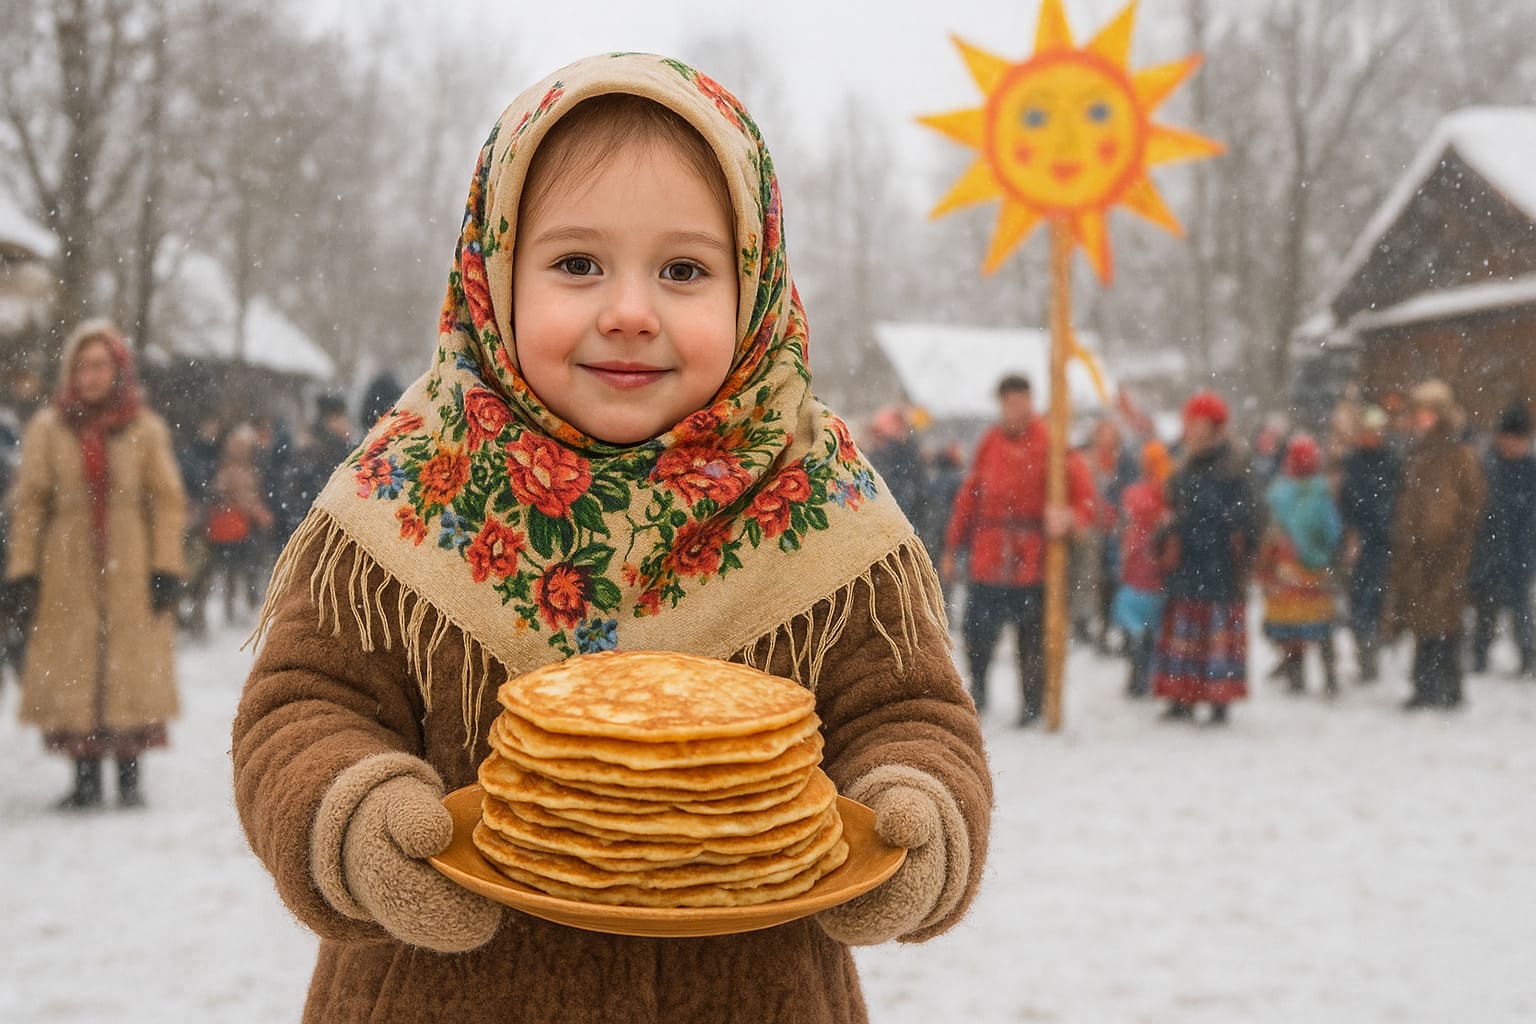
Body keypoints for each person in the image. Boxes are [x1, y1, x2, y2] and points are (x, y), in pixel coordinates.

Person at [231, 55, 990, 1024]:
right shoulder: (409, 487)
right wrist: (351, 814)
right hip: (435, 998)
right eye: (577, 263)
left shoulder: (825, 503)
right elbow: (304, 704)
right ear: (495, 275)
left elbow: (910, 711)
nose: (630, 311)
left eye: (684, 270)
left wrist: (910, 812)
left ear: (755, 283)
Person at [3, 319, 186, 808]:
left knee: (129, 667)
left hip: (131, 561)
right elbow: (31, 503)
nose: (90, 375)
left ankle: (128, 779)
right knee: (76, 667)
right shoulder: (48, 428)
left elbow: (166, 500)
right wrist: (24, 570)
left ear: (118, 369)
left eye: (100, 365)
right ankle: (84, 779)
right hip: (67, 565)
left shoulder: (144, 429)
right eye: (82, 366)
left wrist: (166, 566)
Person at [941, 374, 1098, 724]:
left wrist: (1069, 518)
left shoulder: (1053, 444)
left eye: (1020, 402)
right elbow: (970, 497)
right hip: (989, 555)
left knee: (1033, 639)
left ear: (1030, 401)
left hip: (1034, 559)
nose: (1015, 410)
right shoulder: (990, 442)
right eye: (1008, 403)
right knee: (977, 632)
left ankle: (1032, 706)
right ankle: (978, 691)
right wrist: (953, 547)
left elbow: (1086, 501)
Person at [1149, 391, 1258, 726]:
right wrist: (1166, 532)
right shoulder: (1182, 468)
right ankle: (1182, 696)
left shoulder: (1235, 467)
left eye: (1200, 424)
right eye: (1190, 424)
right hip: (1188, 567)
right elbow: (1170, 507)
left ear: (1215, 428)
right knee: (1186, 634)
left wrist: (1203, 522)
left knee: (1215, 635)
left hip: (1220, 566)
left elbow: (1248, 516)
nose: (1193, 431)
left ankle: (1217, 698)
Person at [1384, 380, 1486, 711]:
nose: (1421, 420)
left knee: (1446, 622)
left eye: (1426, 414)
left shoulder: (1459, 456)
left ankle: (1449, 687)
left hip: (1449, 553)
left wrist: (1457, 539)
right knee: (1422, 621)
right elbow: (1410, 503)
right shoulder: (1418, 455)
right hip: (1417, 554)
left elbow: (1473, 502)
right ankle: (1424, 686)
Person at [1258, 434, 1343, 696]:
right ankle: (1322, 674)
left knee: (1295, 625)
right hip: (1305, 567)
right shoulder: (1319, 491)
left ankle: (1301, 674)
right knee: (1315, 624)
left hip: (1293, 567)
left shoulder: (1283, 492)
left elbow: (1273, 527)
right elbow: (1332, 529)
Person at [1468, 403, 1536, 677]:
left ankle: (1528, 655)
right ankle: (1480, 655)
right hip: (1490, 550)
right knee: (1486, 608)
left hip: (1521, 550)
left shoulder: (1530, 470)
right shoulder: (1487, 467)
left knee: (1521, 609)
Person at [1337, 405, 1401, 682]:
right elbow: (1346, 502)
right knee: (1358, 602)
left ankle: (1373, 651)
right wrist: (1349, 534)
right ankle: (1364, 654)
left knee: (1376, 601)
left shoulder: (1391, 462)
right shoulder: (1353, 462)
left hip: (1383, 541)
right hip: (1359, 542)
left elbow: (1397, 501)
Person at [1111, 440, 1172, 698]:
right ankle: (1142, 673)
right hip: (1146, 570)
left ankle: (1140, 674)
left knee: (1142, 629)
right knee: (1147, 630)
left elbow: (1128, 526)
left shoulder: (1146, 493)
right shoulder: (1162, 492)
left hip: (1146, 569)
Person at [206, 422, 275, 625]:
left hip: (237, 526)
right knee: (242, 568)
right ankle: (241, 607)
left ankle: (234, 607)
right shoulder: (240, 470)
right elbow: (245, 498)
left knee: (234, 570)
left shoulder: (228, 467)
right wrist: (260, 513)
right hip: (239, 526)